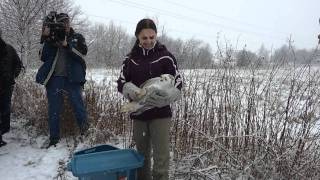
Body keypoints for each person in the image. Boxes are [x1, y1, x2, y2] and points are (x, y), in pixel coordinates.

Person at [117, 18, 182, 180]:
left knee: (161, 156)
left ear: (156, 36)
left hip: (161, 113)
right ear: (137, 37)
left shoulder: (166, 57)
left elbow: (179, 83)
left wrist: (168, 96)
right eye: (144, 38)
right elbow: (121, 82)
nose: (148, 41)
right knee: (142, 155)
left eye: (152, 37)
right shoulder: (130, 59)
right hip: (139, 113)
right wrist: (129, 89)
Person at [36, 13, 89, 148]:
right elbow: (42, 57)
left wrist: (67, 45)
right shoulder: (51, 37)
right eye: (61, 22)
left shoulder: (77, 37)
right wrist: (45, 37)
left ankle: (86, 133)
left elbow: (82, 54)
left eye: (66, 22)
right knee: (54, 109)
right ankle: (54, 138)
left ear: (69, 23)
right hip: (54, 79)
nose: (65, 25)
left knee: (78, 106)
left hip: (73, 79)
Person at [0, 29, 23, 147]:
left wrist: (13, 76)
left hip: (6, 85)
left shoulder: (8, 49)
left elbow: (18, 64)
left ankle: (4, 130)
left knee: (5, 109)